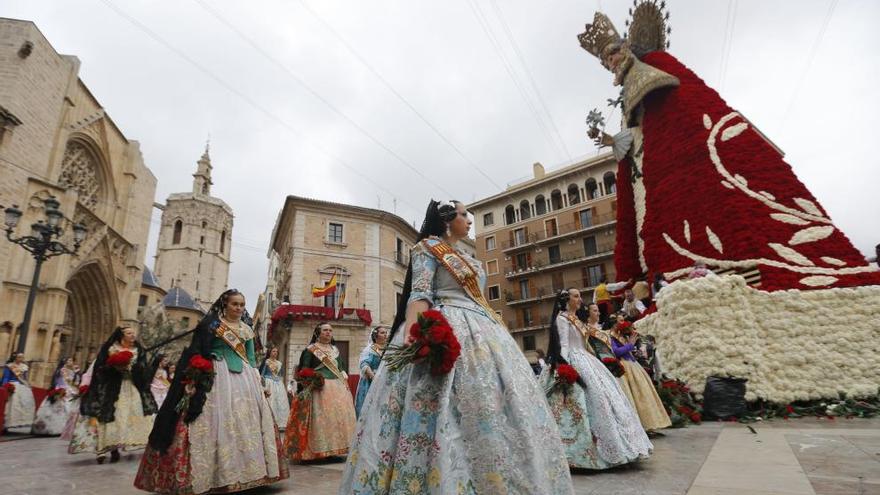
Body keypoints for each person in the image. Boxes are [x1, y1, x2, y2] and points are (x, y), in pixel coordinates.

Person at [579, 9, 880, 291]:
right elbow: (632, 141)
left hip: (679, 167)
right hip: (646, 173)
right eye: (607, 62)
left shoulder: (657, 68)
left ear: (627, 47)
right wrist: (610, 140)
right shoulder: (630, 96)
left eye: (613, 54)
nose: (612, 63)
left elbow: (684, 112)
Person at [339, 200, 572, 494]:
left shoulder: (467, 258)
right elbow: (420, 292)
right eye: (464, 215)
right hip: (446, 321)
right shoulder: (428, 248)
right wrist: (417, 331)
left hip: (482, 331)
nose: (470, 221)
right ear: (448, 220)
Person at [135, 289, 288, 494]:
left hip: (246, 380)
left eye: (242, 305)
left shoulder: (247, 330)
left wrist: (258, 382)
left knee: (246, 421)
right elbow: (198, 349)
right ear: (225, 304)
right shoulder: (211, 325)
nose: (239, 308)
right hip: (217, 374)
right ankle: (214, 474)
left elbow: (251, 359)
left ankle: (251, 472)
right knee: (215, 419)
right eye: (235, 304)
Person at [544, 290, 652, 469]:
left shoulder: (577, 319)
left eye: (579, 296)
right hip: (573, 358)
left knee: (606, 399)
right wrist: (564, 366)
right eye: (576, 296)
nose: (580, 300)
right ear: (566, 300)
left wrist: (603, 360)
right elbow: (563, 343)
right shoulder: (562, 318)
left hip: (587, 360)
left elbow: (588, 344)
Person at [69, 326, 158, 463]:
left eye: (133, 333)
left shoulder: (138, 350)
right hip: (110, 388)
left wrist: (133, 369)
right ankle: (103, 448)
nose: (133, 335)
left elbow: (143, 370)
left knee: (126, 417)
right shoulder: (111, 348)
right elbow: (100, 368)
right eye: (129, 333)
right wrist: (113, 367)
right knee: (109, 418)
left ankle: (117, 445)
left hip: (130, 387)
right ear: (122, 336)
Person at [285, 322, 356, 461]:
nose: (328, 332)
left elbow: (340, 365)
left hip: (338, 386)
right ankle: (319, 451)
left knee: (338, 418)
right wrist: (313, 375)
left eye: (330, 330)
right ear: (318, 333)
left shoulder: (335, 349)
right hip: (320, 388)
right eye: (325, 330)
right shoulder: (310, 350)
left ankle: (334, 449)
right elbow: (304, 369)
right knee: (322, 419)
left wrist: (343, 372)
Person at [609, 321, 671, 432]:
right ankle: (637, 426)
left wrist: (633, 349)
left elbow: (628, 351)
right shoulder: (612, 338)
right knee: (632, 395)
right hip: (625, 368)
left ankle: (648, 424)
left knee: (643, 394)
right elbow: (616, 352)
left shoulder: (625, 338)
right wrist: (630, 345)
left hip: (634, 366)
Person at [32, 356, 78, 436]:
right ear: (65, 361)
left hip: (69, 389)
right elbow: (60, 381)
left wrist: (74, 388)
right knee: (59, 408)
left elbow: (72, 382)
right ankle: (50, 427)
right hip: (62, 389)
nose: (71, 362)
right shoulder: (62, 370)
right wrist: (61, 390)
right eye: (69, 360)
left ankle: (63, 429)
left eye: (71, 360)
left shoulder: (72, 371)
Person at [354, 325, 388, 418]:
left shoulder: (388, 349)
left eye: (386, 333)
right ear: (375, 336)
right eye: (382, 333)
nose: (385, 335)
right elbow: (364, 364)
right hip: (371, 382)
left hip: (385, 381)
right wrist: (374, 377)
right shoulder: (370, 349)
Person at [1, 352, 35, 434]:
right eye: (19, 357)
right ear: (15, 358)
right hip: (13, 384)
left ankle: (17, 423)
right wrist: (5, 386)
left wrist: (28, 385)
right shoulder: (10, 366)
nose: (21, 359)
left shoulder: (24, 367)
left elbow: (25, 378)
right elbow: (6, 377)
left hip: (22, 386)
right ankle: (5, 424)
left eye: (22, 357)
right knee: (11, 405)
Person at [261, 346, 290, 429]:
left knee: (280, 402)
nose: (275, 353)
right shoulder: (266, 362)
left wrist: (280, 382)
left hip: (278, 383)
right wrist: (263, 384)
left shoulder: (279, 363)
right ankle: (270, 423)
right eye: (273, 351)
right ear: (270, 352)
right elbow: (262, 374)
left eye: (276, 352)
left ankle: (281, 423)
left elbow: (281, 374)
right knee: (271, 401)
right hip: (269, 383)